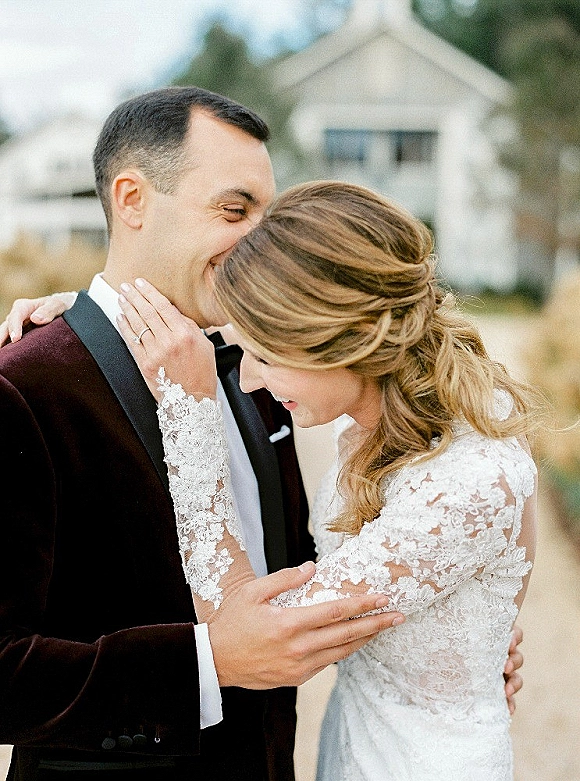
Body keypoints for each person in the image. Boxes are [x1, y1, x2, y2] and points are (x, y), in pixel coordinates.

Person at [0, 89, 408, 781]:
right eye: (234, 210)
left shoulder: (258, 371)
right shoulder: (24, 386)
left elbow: (299, 568)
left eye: (267, 217)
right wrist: (208, 662)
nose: (262, 244)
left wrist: (441, 643)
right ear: (132, 200)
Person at [111, 180, 540, 781]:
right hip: (356, 738)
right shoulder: (394, 412)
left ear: (345, 340)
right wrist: (88, 315)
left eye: (265, 355)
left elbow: (253, 634)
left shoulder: (469, 483)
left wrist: (189, 413)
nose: (249, 381)